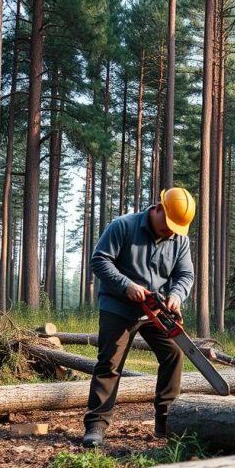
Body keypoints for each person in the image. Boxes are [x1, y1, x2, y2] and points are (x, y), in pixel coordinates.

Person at [82, 188, 196, 448]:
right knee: (110, 362)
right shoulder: (123, 226)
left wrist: (176, 295)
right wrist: (126, 286)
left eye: (175, 228)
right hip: (118, 306)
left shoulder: (180, 240)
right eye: (167, 225)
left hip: (155, 308)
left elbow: (185, 275)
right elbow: (100, 260)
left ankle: (165, 421)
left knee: (174, 353)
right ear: (158, 208)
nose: (170, 232)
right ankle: (96, 424)